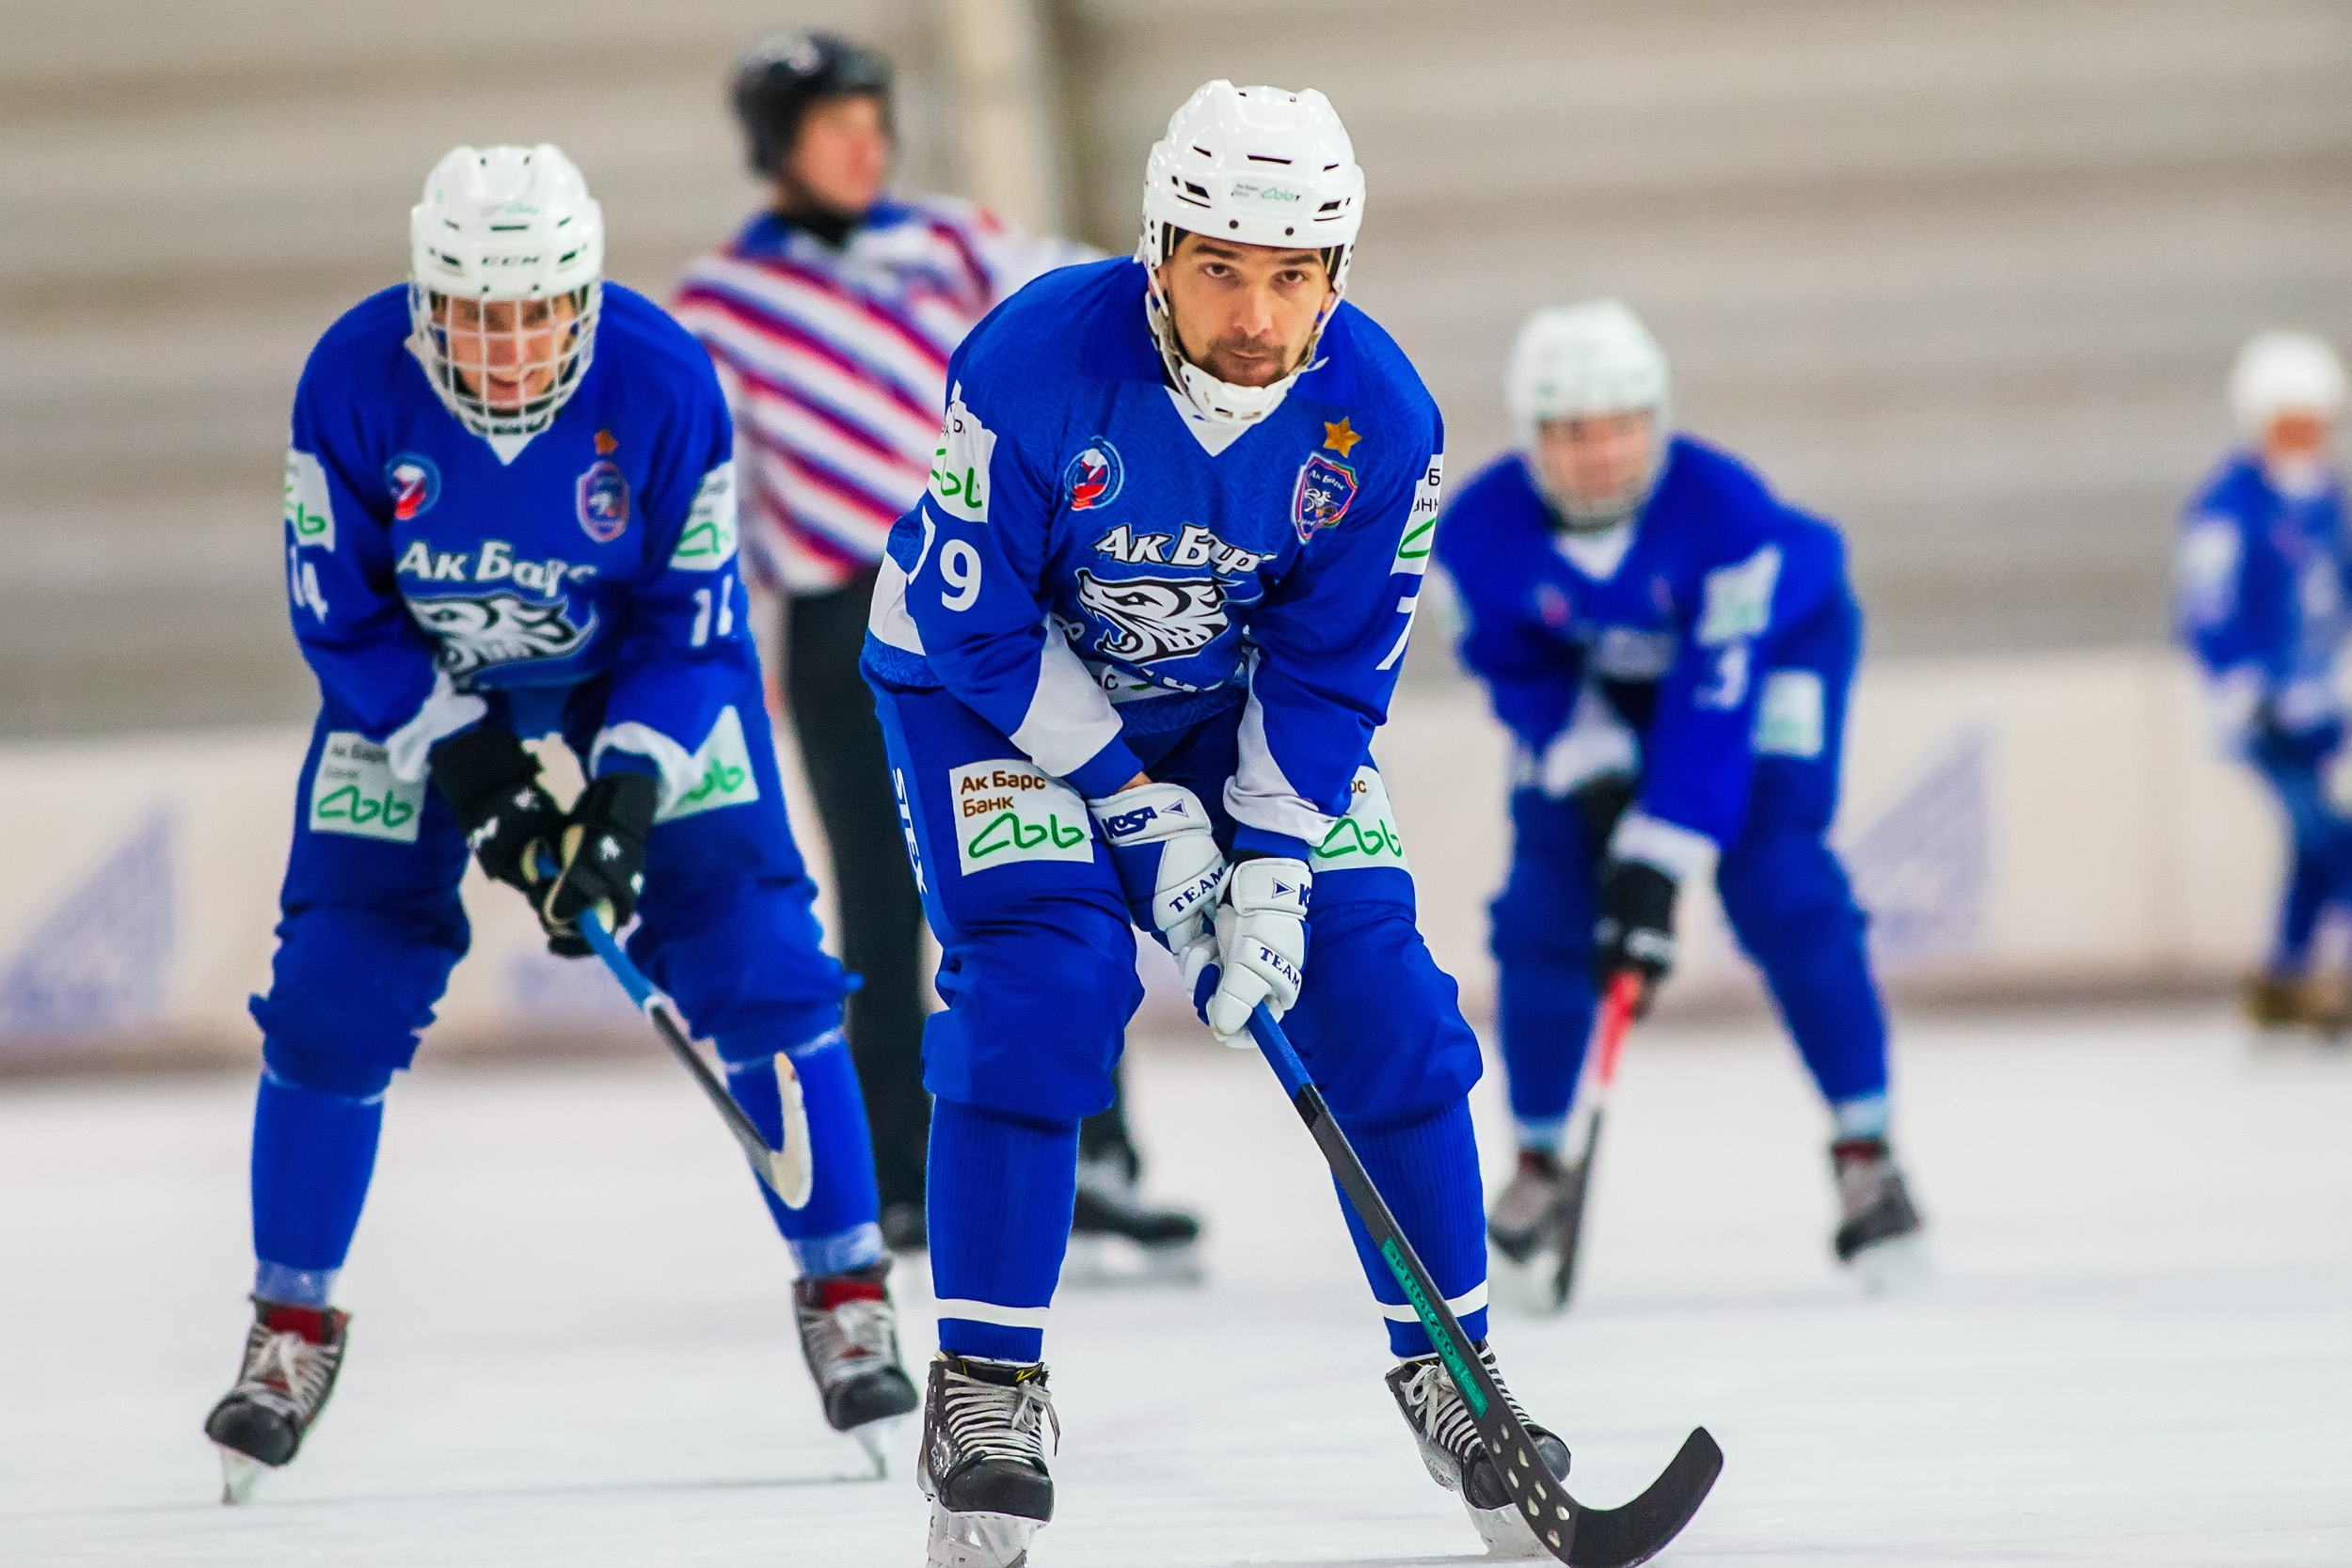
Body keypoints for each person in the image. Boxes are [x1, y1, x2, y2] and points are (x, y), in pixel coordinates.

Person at [863, 81, 1569, 1567]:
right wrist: (1136, 814)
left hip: (1225, 706)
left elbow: (1327, 666)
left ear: (1338, 275)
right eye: (1223, 270)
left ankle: (1454, 1364)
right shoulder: (1037, 359)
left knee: (1378, 986)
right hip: (989, 700)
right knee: (1047, 981)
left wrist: (1266, 856)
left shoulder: (1381, 417)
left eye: (1294, 277)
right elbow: (976, 620)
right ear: (1159, 250)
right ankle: (987, 1384)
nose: (1258, 316)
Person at [202, 145, 915, 1503]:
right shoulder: (351, 380)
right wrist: (476, 769)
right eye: (477, 313)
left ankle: (847, 1285)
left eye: (536, 311)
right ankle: (290, 1321)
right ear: (429, 303)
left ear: (581, 295)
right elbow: (336, 610)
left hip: (624, 676)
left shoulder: (662, 378)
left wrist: (630, 788)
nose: (511, 345)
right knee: (333, 998)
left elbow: (691, 615)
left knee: (762, 959)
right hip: (417, 683)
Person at [675, 31, 1199, 1265]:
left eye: (875, 116)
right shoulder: (720, 304)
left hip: (994, 596)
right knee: (876, 894)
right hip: (836, 612)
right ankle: (899, 1171)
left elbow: (1116, 302)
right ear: (774, 146)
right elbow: (712, 493)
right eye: (834, 124)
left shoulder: (957, 242)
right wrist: (720, 655)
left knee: (1057, 862)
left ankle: (1096, 1153)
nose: (870, 142)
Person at [1435, 300, 1926, 1310]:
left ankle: (1865, 1145)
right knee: (1543, 910)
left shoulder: (1727, 516)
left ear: (1655, 420)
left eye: (1621, 424)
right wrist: (1599, 771)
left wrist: (1657, 856)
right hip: (1599, 693)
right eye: (1572, 430)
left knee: (1780, 881)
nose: (1600, 453)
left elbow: (1715, 690)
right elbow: (1515, 668)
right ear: (1533, 437)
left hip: (1770, 659)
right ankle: (1536, 1161)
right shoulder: (1476, 534)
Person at [2175, 330, 2351, 1032]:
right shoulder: (2228, 505)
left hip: (2319, 703)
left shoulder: (2326, 496)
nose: (2305, 435)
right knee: (2328, 833)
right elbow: (2207, 608)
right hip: (2260, 712)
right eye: (2291, 421)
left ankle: (2282, 973)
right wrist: (2244, 683)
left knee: (2309, 844)